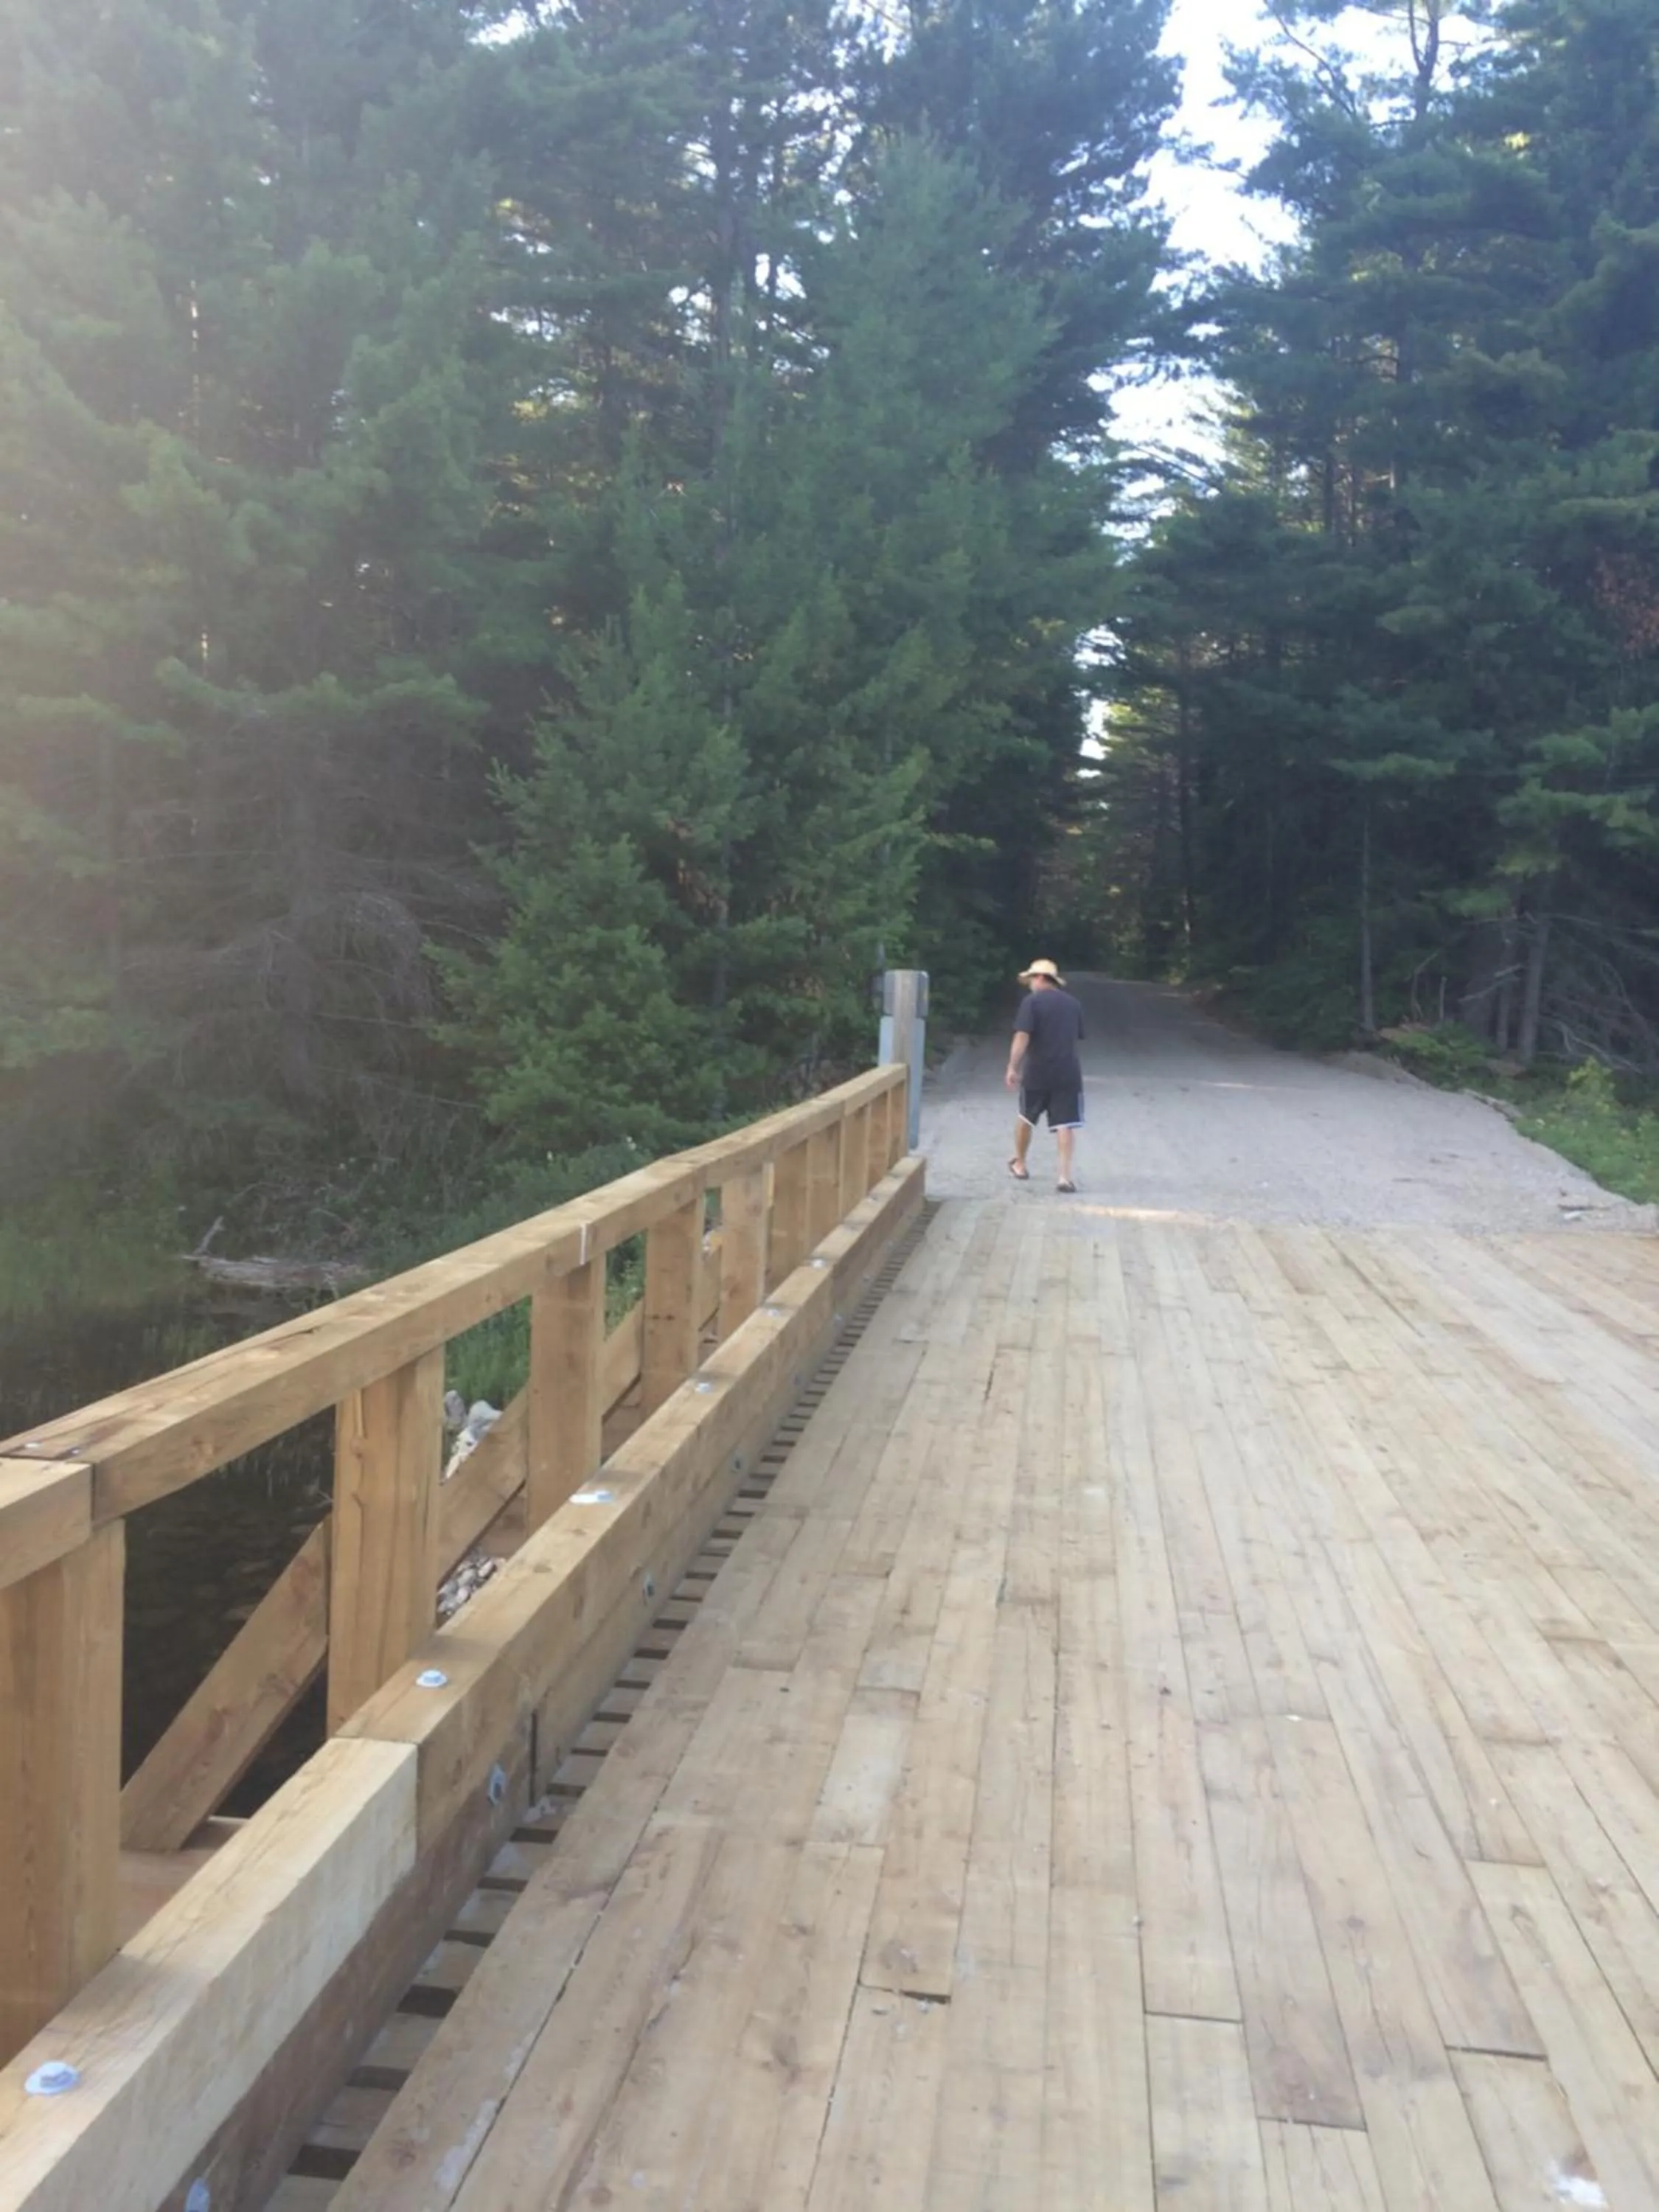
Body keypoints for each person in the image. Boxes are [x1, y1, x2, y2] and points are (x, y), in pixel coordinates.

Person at [1005, 959, 1085, 1192]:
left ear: (1039, 978)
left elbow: (1022, 1036)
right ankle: (1064, 1177)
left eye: (1031, 979)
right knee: (1065, 1123)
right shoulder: (1073, 1004)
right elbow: (1076, 1035)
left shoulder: (1031, 1003)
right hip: (1068, 1071)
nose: (1029, 983)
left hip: (1037, 1070)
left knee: (1026, 1116)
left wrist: (1012, 1066)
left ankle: (1020, 1163)